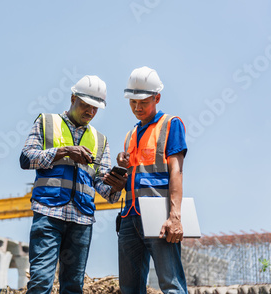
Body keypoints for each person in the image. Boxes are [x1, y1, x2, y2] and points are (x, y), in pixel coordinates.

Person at [20, 75, 126, 294]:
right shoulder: (46, 122)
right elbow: (26, 158)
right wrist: (65, 151)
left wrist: (116, 185)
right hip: (48, 213)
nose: (90, 112)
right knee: (40, 282)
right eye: (85, 106)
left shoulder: (100, 140)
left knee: (73, 287)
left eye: (95, 109)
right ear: (72, 98)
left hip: (81, 219)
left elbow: (103, 188)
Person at [116, 66, 188, 294]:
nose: (137, 108)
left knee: (171, 284)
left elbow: (176, 171)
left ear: (157, 97)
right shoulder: (131, 135)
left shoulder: (170, 124)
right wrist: (122, 166)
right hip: (129, 216)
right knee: (129, 288)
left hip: (158, 215)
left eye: (143, 102)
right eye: (132, 102)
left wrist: (175, 217)